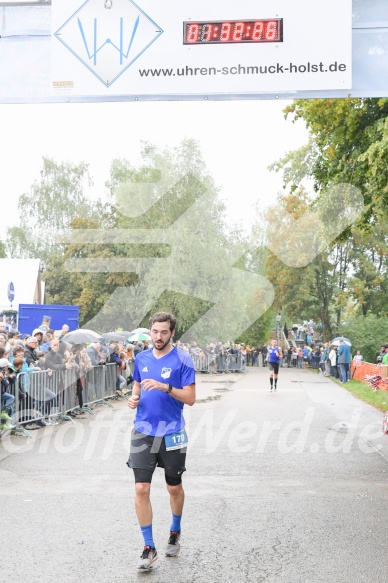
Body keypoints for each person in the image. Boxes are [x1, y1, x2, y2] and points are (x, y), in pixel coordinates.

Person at [126, 312, 196, 572]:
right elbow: (137, 386)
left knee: (173, 488)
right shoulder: (141, 357)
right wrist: (133, 398)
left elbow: (190, 398)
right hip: (143, 431)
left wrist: (166, 387)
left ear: (172, 332)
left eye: (164, 332)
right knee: (141, 489)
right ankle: (148, 546)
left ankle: (175, 529)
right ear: (150, 331)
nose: (158, 337)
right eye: (155, 332)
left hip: (172, 433)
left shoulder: (182, 360)